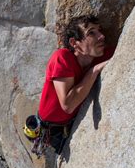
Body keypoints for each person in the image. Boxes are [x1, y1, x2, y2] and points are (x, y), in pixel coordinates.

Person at [38, 15, 116, 154]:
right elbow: (68, 105)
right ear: (75, 43)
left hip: (71, 122)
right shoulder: (62, 58)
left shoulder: (102, 55)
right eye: (91, 33)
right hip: (53, 131)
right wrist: (93, 71)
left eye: (99, 30)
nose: (101, 36)